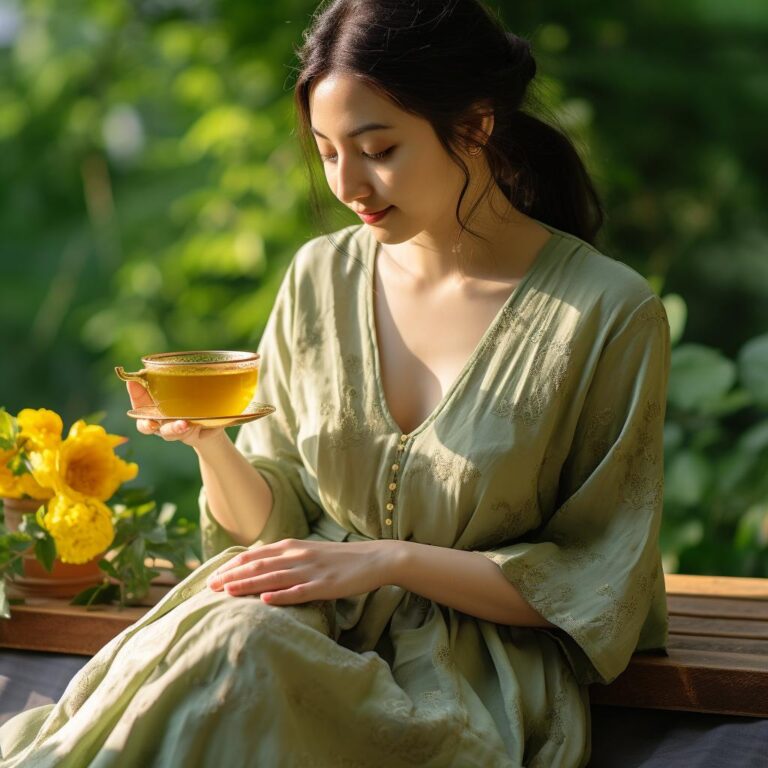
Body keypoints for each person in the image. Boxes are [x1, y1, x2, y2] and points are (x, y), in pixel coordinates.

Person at [0, 1, 671, 766]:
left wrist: (389, 559)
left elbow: (598, 579)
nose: (349, 183)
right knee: (232, 643)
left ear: (477, 126)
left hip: (467, 679)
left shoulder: (609, 314)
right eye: (325, 152)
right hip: (288, 623)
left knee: (242, 652)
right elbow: (270, 520)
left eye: (377, 148)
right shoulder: (320, 277)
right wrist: (212, 447)